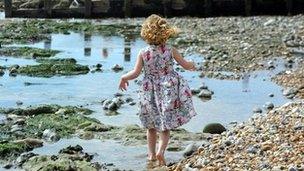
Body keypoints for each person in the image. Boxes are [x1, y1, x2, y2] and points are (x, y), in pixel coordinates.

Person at [118, 14, 197, 166]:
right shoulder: (170, 49)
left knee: (151, 126)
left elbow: (135, 73)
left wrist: (123, 77)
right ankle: (161, 151)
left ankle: (151, 155)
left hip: (150, 92)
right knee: (165, 126)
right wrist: (192, 64)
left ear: (145, 33)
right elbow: (185, 65)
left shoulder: (143, 53)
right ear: (166, 32)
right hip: (169, 89)